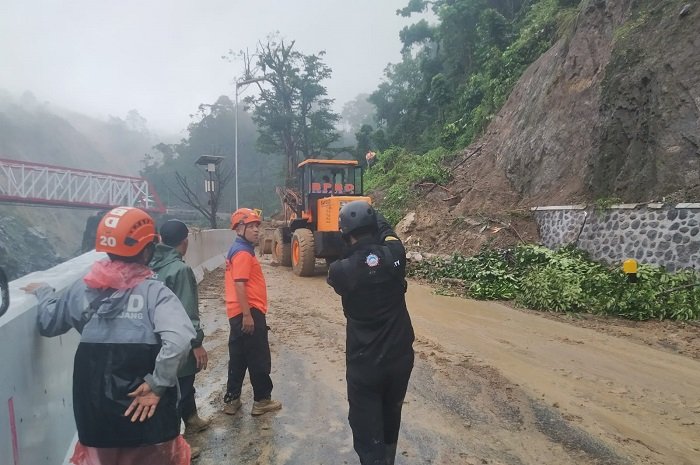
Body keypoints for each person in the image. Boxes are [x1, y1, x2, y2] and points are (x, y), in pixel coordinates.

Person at [22, 206, 196, 465]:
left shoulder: (82, 289)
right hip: (148, 419)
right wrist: (158, 384)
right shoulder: (155, 293)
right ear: (148, 249)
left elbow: (49, 323)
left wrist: (45, 292)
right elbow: (180, 341)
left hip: (95, 418)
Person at [326, 200, 415, 465]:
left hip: (365, 364)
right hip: (399, 360)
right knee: (391, 415)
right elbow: (389, 235)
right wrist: (378, 216)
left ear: (345, 232)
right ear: (372, 225)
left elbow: (347, 265)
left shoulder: (340, 271)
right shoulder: (395, 255)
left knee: (366, 428)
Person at [150, 219, 210, 438]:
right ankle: (174, 444)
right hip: (177, 340)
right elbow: (187, 311)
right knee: (181, 387)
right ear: (185, 242)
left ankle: (192, 419)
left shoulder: (150, 266)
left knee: (177, 386)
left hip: (155, 340)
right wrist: (197, 343)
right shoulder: (180, 270)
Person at [222, 208, 282, 416]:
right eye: (252, 226)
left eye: (258, 226)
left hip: (236, 311)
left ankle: (232, 400)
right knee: (258, 357)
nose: (257, 230)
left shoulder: (238, 249)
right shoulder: (243, 253)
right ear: (239, 228)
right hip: (249, 311)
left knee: (238, 357)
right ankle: (262, 400)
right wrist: (248, 315)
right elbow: (240, 284)